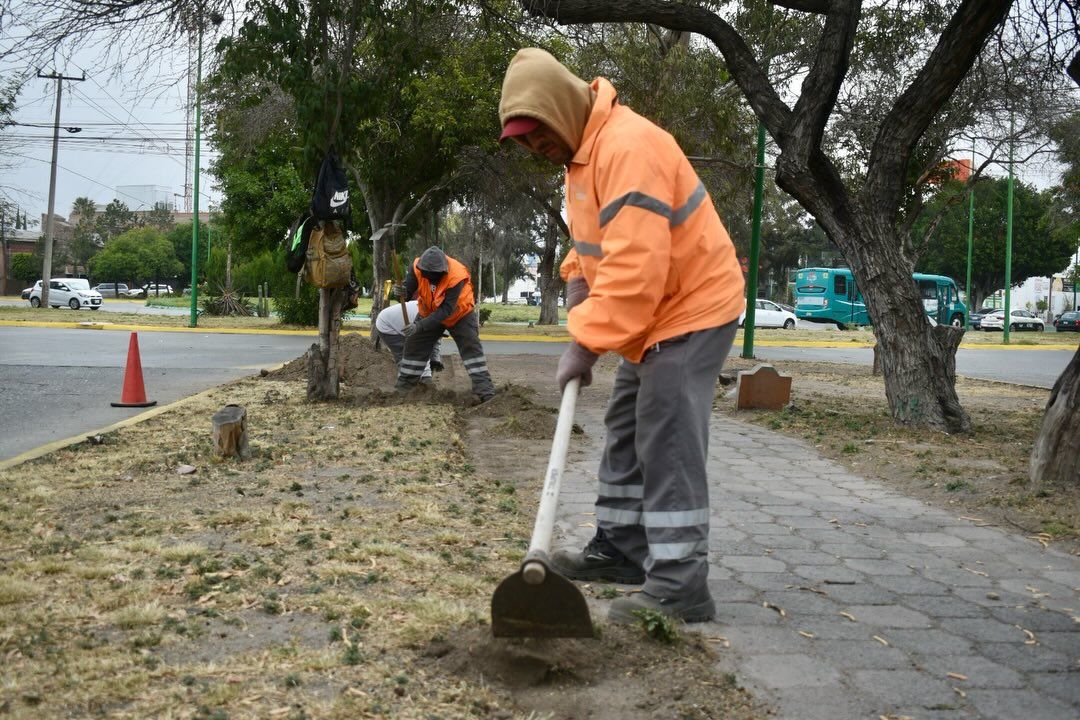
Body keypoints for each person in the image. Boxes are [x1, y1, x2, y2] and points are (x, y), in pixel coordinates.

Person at [498, 48, 745, 623]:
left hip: (692, 305)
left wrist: (584, 343)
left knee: (666, 431)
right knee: (627, 422)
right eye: (528, 145)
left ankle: (681, 584)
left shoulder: (626, 148)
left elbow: (636, 272)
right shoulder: (584, 158)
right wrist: (579, 280)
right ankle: (623, 549)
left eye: (540, 137)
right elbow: (597, 241)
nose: (540, 150)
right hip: (656, 312)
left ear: (562, 106)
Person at [394, 246, 496, 403]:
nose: (432, 278)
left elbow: (446, 310)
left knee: (471, 348)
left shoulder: (457, 276)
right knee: (414, 344)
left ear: (443, 270)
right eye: (429, 275)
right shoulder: (417, 267)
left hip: (459, 314)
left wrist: (419, 326)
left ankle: (486, 394)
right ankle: (404, 392)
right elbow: (407, 292)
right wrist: (401, 292)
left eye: (436, 276)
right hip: (429, 310)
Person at [374, 300, 443, 381]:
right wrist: (427, 377)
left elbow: (436, 338)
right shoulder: (424, 317)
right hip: (387, 325)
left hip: (402, 323)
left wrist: (435, 360)